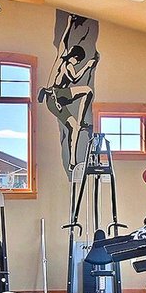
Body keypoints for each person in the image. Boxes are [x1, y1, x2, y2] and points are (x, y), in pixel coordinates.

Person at [41, 12, 100, 175]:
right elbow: (74, 78)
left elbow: (64, 41)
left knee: (74, 127)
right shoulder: (66, 64)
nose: (76, 62)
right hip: (56, 95)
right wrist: (88, 66)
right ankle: (80, 121)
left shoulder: (63, 59)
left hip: (60, 96)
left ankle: (72, 162)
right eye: (78, 60)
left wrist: (69, 23)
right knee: (87, 91)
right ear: (76, 58)